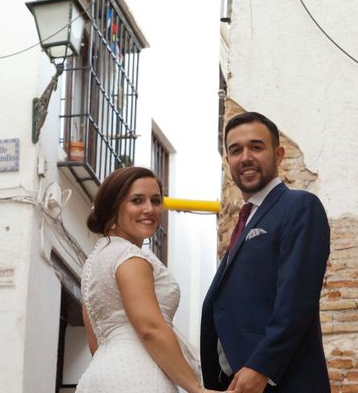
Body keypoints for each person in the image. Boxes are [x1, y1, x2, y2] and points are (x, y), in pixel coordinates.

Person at [200, 112, 331, 393]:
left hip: (277, 381)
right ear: (227, 162)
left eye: (256, 147)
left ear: (279, 154)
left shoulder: (299, 206)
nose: (245, 157)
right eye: (235, 150)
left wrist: (262, 366)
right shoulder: (245, 220)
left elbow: (296, 299)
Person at [77, 166, 228, 393]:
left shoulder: (95, 261)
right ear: (114, 206)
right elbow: (150, 328)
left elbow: (94, 341)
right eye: (137, 200)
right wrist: (197, 388)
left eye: (156, 201)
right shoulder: (130, 258)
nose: (150, 209)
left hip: (99, 375)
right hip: (138, 374)